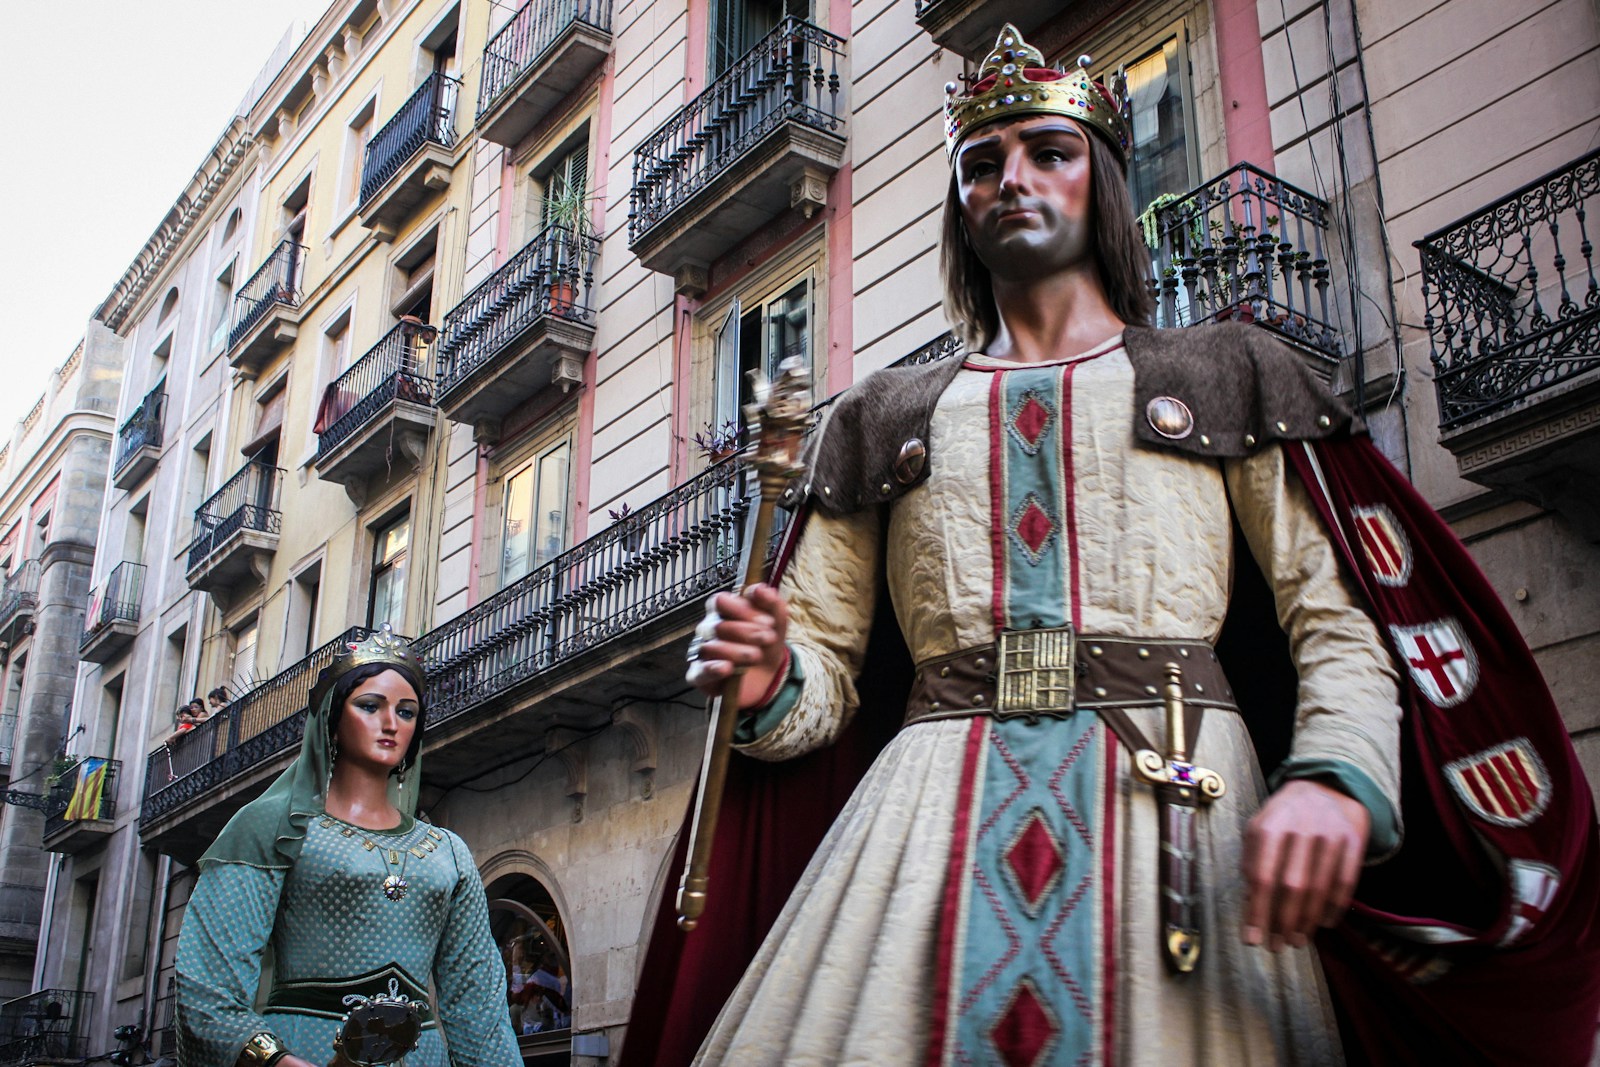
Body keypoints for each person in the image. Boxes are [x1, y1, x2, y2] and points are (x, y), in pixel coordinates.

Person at [655, 24, 1600, 1067]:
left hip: (1182, 809)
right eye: (982, 163)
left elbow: (1337, 623)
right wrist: (770, 680)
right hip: (923, 818)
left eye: (1048, 152)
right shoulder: (877, 414)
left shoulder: (1229, 372)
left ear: (1101, 181)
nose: (1012, 179)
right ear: (959, 204)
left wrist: (1336, 780)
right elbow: (824, 675)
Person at [175, 625, 519, 1066]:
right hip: (307, 1050)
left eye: (407, 712)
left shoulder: (448, 851)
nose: (391, 723)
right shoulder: (275, 827)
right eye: (370, 706)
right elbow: (208, 985)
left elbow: (479, 1006)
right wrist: (276, 1061)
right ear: (333, 721)